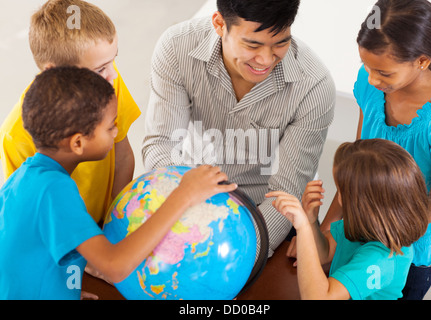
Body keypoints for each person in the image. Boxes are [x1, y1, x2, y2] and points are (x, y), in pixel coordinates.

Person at [0, 67, 237, 300]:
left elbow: (18, 256)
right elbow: (114, 266)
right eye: (111, 125)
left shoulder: (23, 178)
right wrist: (184, 194)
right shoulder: (55, 190)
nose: (116, 133)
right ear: (78, 143)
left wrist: (58, 290)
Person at [142, 0, 336, 257]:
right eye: (252, 45)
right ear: (220, 24)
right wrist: (181, 205)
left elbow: (286, 192)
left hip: (261, 213)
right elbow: (161, 143)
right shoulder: (177, 47)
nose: (266, 60)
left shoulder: (314, 85)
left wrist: (238, 256)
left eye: (280, 43)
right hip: (184, 193)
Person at [320, 0, 431, 299]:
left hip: (411, 247)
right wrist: (326, 229)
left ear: (421, 61)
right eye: (367, 67)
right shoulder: (371, 86)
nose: (373, 79)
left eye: (384, 73)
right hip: (360, 235)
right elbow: (355, 169)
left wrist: (379, 239)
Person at [0, 0, 141, 225]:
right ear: (54, 72)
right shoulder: (15, 135)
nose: (113, 75)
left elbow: (122, 157)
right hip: (64, 241)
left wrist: (116, 221)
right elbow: (31, 210)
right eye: (101, 68)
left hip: (106, 225)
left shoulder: (108, 84)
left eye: (113, 61)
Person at [267, 139, 429, 300]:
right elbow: (325, 253)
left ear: (363, 205)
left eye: (341, 191)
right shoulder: (364, 226)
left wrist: (302, 227)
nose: (338, 199)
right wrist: (310, 220)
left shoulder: (381, 259)